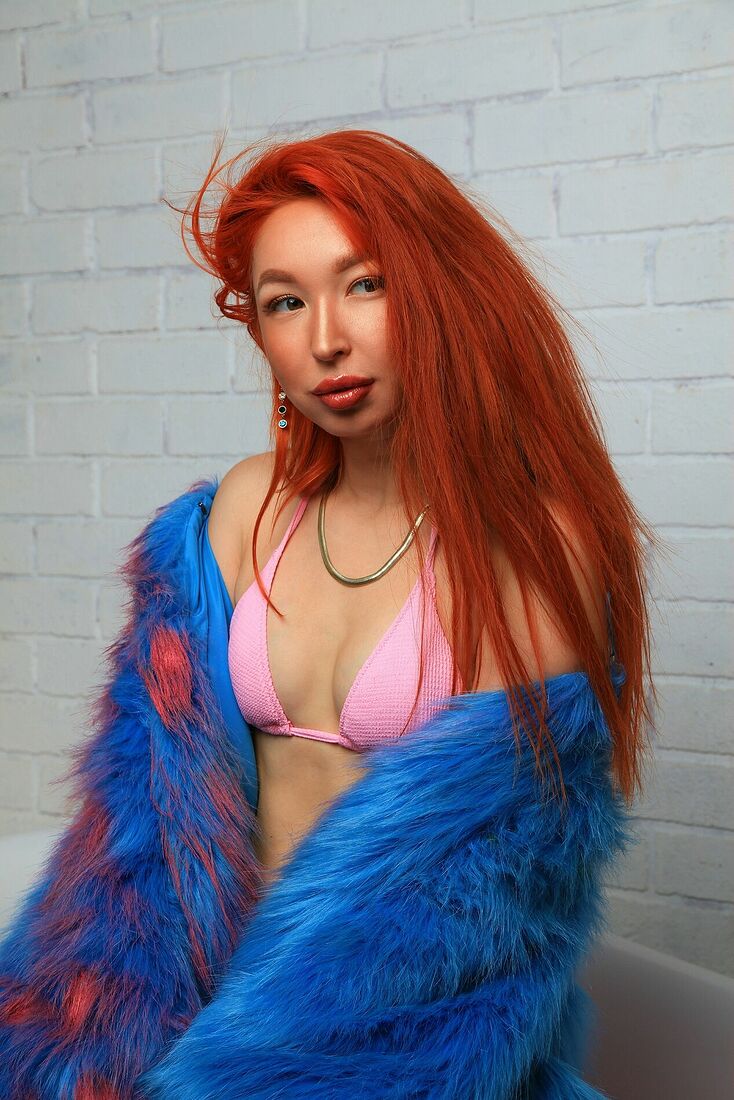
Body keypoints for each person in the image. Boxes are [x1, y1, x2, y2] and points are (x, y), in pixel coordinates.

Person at [0, 129, 659, 1099]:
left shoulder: (529, 545)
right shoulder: (245, 509)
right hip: (179, 1009)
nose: (324, 340)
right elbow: (136, 824)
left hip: (395, 1053)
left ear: (440, 292)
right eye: (284, 301)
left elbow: (490, 901)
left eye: (364, 285)